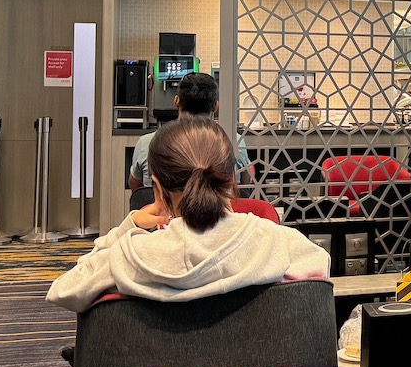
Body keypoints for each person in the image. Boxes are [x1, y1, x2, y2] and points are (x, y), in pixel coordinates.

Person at [49, 118, 327, 313]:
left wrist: (129, 226)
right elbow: (318, 275)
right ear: (231, 180)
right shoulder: (282, 243)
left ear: (157, 189)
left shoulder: (127, 257)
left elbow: (64, 290)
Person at [128, 71, 250, 190]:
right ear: (215, 106)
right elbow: (245, 185)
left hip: (162, 210)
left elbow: (137, 189)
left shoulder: (147, 142)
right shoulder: (234, 141)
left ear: (177, 101)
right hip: (217, 210)